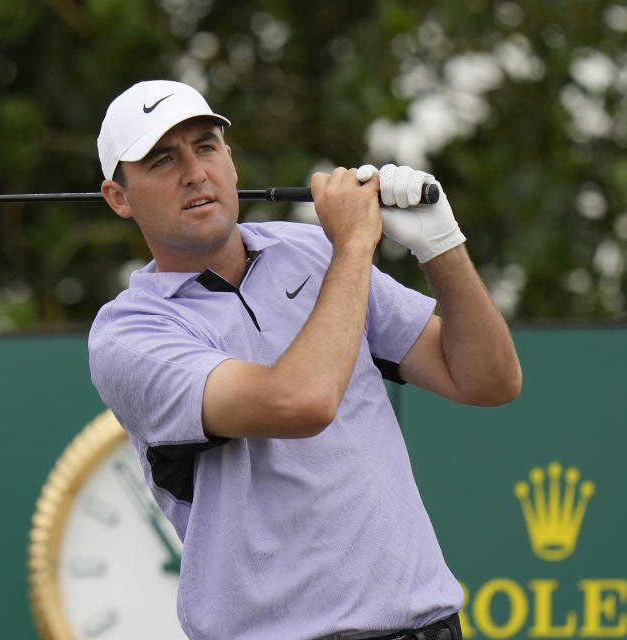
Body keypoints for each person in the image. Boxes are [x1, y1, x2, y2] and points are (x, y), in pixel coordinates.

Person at [88, 79, 521, 640]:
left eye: (206, 146)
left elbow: (490, 380)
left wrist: (441, 246)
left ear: (231, 162)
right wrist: (355, 245)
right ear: (118, 197)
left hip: (430, 625)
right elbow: (301, 402)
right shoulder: (130, 334)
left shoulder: (314, 252)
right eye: (162, 160)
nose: (194, 172)